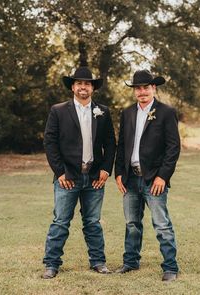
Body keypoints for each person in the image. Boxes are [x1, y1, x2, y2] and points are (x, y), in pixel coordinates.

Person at [42, 66, 116, 279]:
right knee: (61, 221)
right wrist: (60, 172)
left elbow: (111, 144)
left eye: (87, 83)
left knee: (93, 222)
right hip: (68, 177)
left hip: (94, 178)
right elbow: (50, 142)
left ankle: (98, 261)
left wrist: (105, 169)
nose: (83, 87)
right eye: (79, 83)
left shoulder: (103, 111)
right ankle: (51, 264)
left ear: (92, 87)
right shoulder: (58, 110)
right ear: (73, 87)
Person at [115, 69, 180, 282]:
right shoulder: (127, 113)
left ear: (154, 88)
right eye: (138, 88)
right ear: (134, 91)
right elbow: (122, 145)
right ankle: (131, 261)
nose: (142, 91)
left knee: (161, 224)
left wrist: (163, 176)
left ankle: (170, 266)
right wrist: (119, 173)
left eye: (146, 87)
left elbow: (173, 148)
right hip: (130, 179)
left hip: (154, 179)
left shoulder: (166, 112)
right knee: (132, 223)